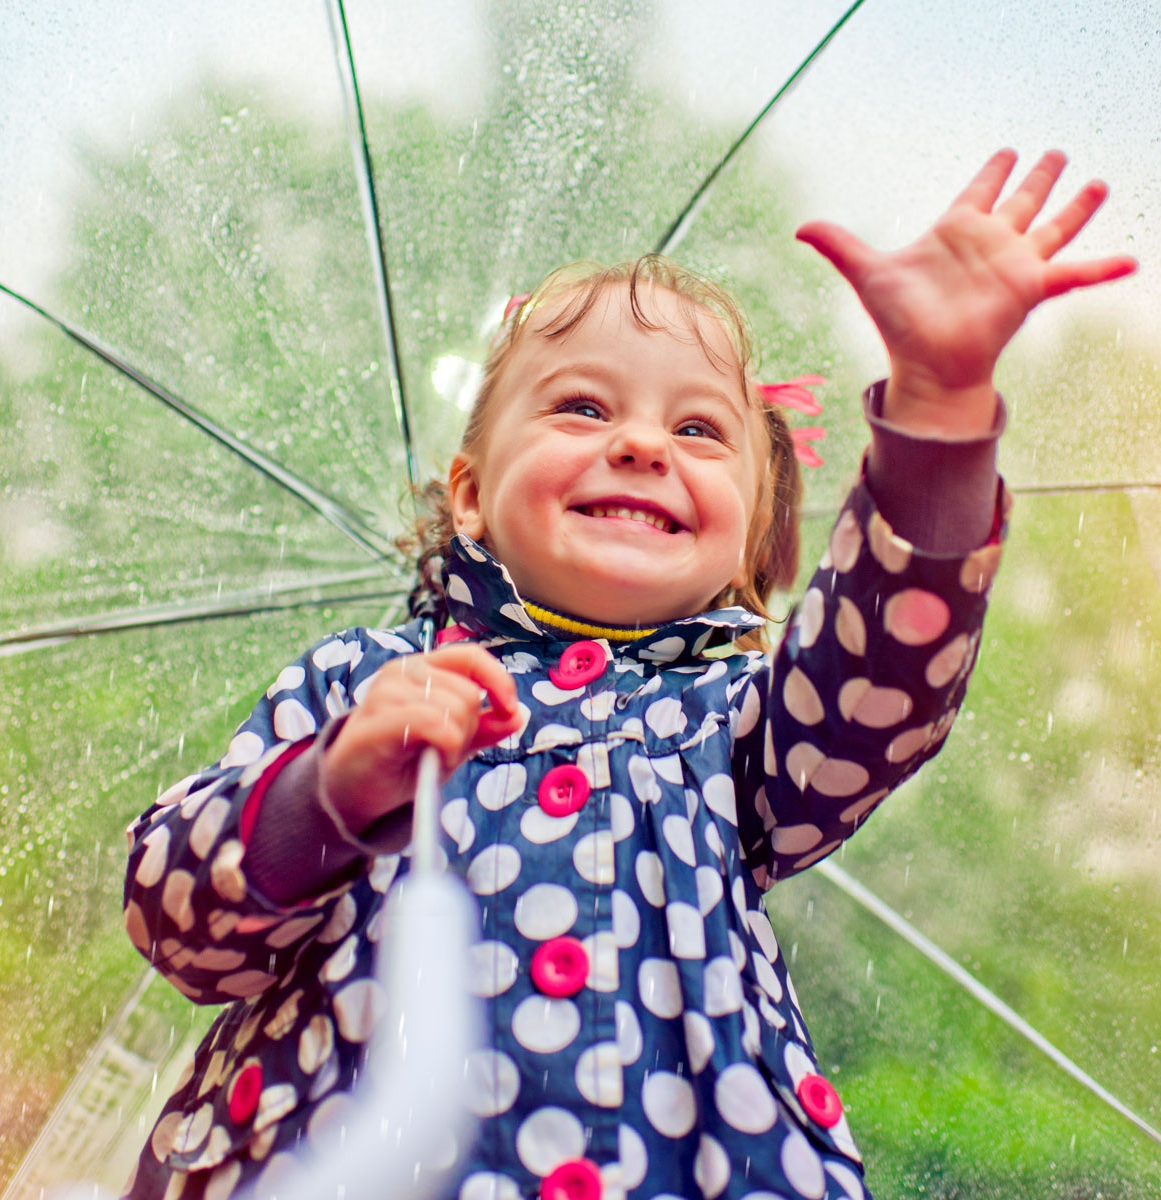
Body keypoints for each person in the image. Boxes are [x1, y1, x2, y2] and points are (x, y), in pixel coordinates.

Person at [121, 150, 1135, 1200]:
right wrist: (327, 791)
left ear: (748, 543)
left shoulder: (740, 727)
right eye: (582, 408)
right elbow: (180, 926)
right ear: (470, 496)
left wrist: (935, 401)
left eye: (699, 429)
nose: (645, 443)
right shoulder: (362, 682)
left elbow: (883, 680)